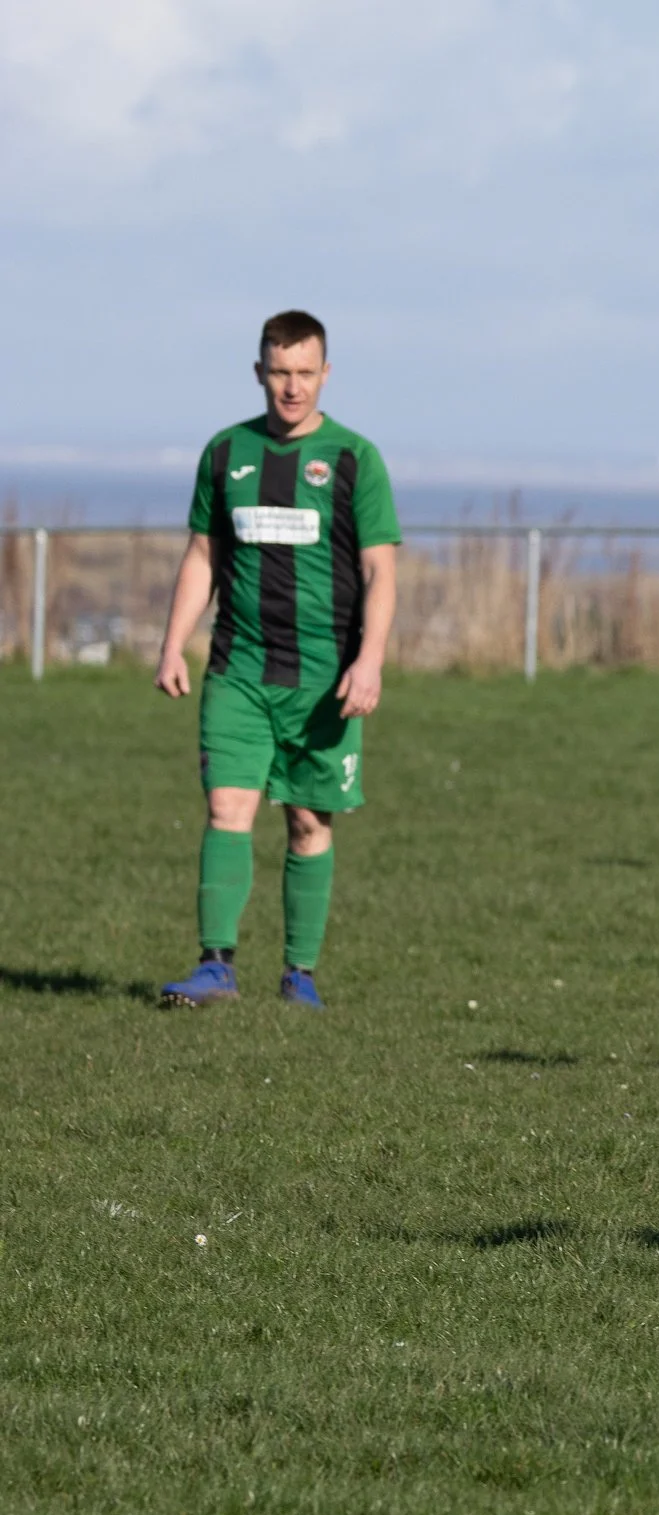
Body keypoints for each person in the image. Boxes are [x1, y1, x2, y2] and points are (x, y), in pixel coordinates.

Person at [154, 310, 400, 1006]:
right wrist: (174, 643)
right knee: (228, 805)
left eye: (304, 373)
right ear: (259, 372)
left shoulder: (355, 459)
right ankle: (215, 966)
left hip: (326, 679)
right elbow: (203, 556)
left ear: (325, 374)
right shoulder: (225, 453)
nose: (291, 387)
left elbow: (382, 573)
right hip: (239, 669)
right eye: (279, 372)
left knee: (307, 821)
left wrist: (371, 660)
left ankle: (299, 975)